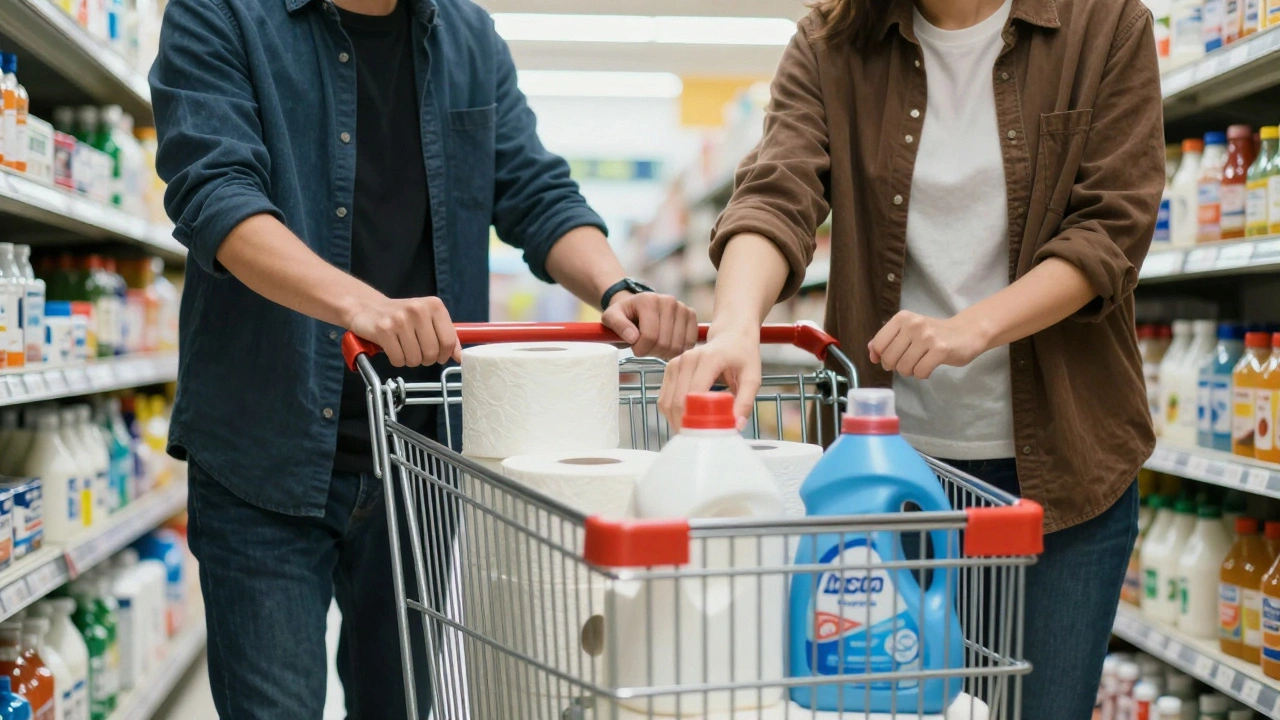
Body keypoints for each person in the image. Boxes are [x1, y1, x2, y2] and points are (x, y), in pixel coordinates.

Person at [149, 0, 697, 716]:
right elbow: (214, 193)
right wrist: (357, 305)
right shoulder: (221, 12)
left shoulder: (468, 37)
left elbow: (534, 188)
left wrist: (615, 286)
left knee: (399, 706)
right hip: (264, 449)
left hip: (415, 456)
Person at [658, 0, 1162, 716]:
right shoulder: (834, 38)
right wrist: (735, 326)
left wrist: (971, 328)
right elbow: (777, 192)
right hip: (881, 479)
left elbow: (1111, 229)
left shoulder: (1104, 25)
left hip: (1066, 473)